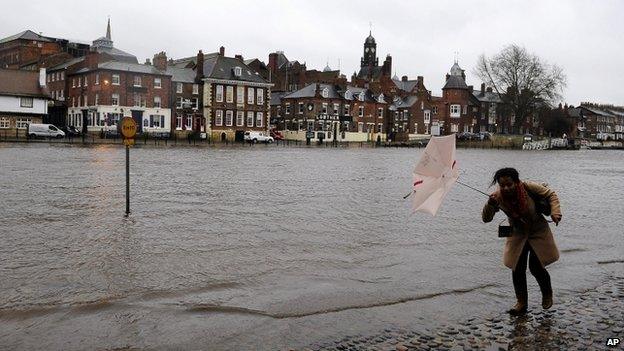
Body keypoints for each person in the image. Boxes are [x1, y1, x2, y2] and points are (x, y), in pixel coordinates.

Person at [482, 168, 562, 315]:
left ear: (516, 182)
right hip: (517, 233)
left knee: (535, 267)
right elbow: (486, 219)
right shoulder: (497, 197)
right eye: (502, 185)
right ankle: (521, 303)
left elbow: (551, 194)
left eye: (509, 184)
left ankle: (547, 293)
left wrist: (555, 212)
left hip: (538, 230)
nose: (506, 188)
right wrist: (490, 204)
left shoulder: (528, 187)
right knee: (517, 268)